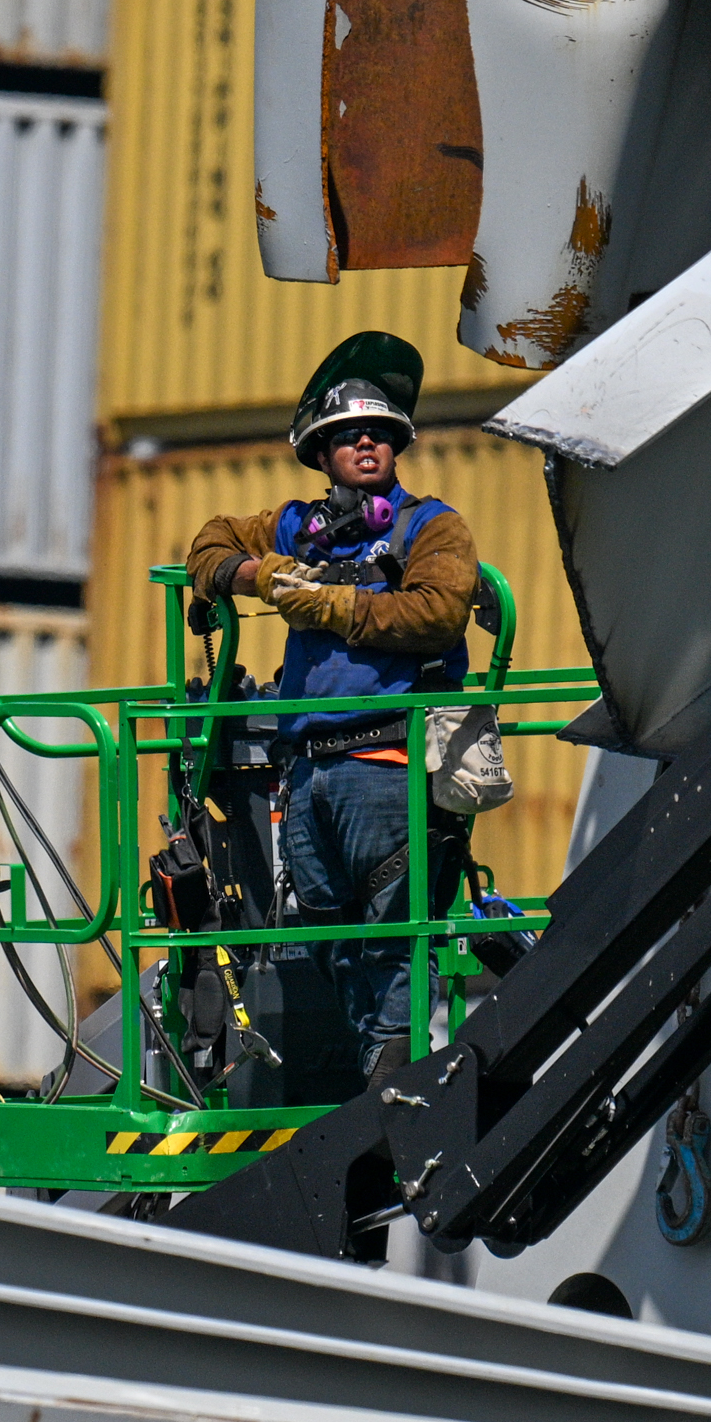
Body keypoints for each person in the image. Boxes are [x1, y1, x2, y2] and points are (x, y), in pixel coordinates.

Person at [186, 331, 481, 1087]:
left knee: (389, 946)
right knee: (326, 941)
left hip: (384, 767)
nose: (366, 444)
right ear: (320, 452)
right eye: (348, 435)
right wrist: (256, 575)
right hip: (307, 780)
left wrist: (326, 604)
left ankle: (393, 1093)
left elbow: (438, 615)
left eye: (380, 434)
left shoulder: (430, 527)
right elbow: (209, 543)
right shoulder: (296, 528)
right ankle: (371, 1084)